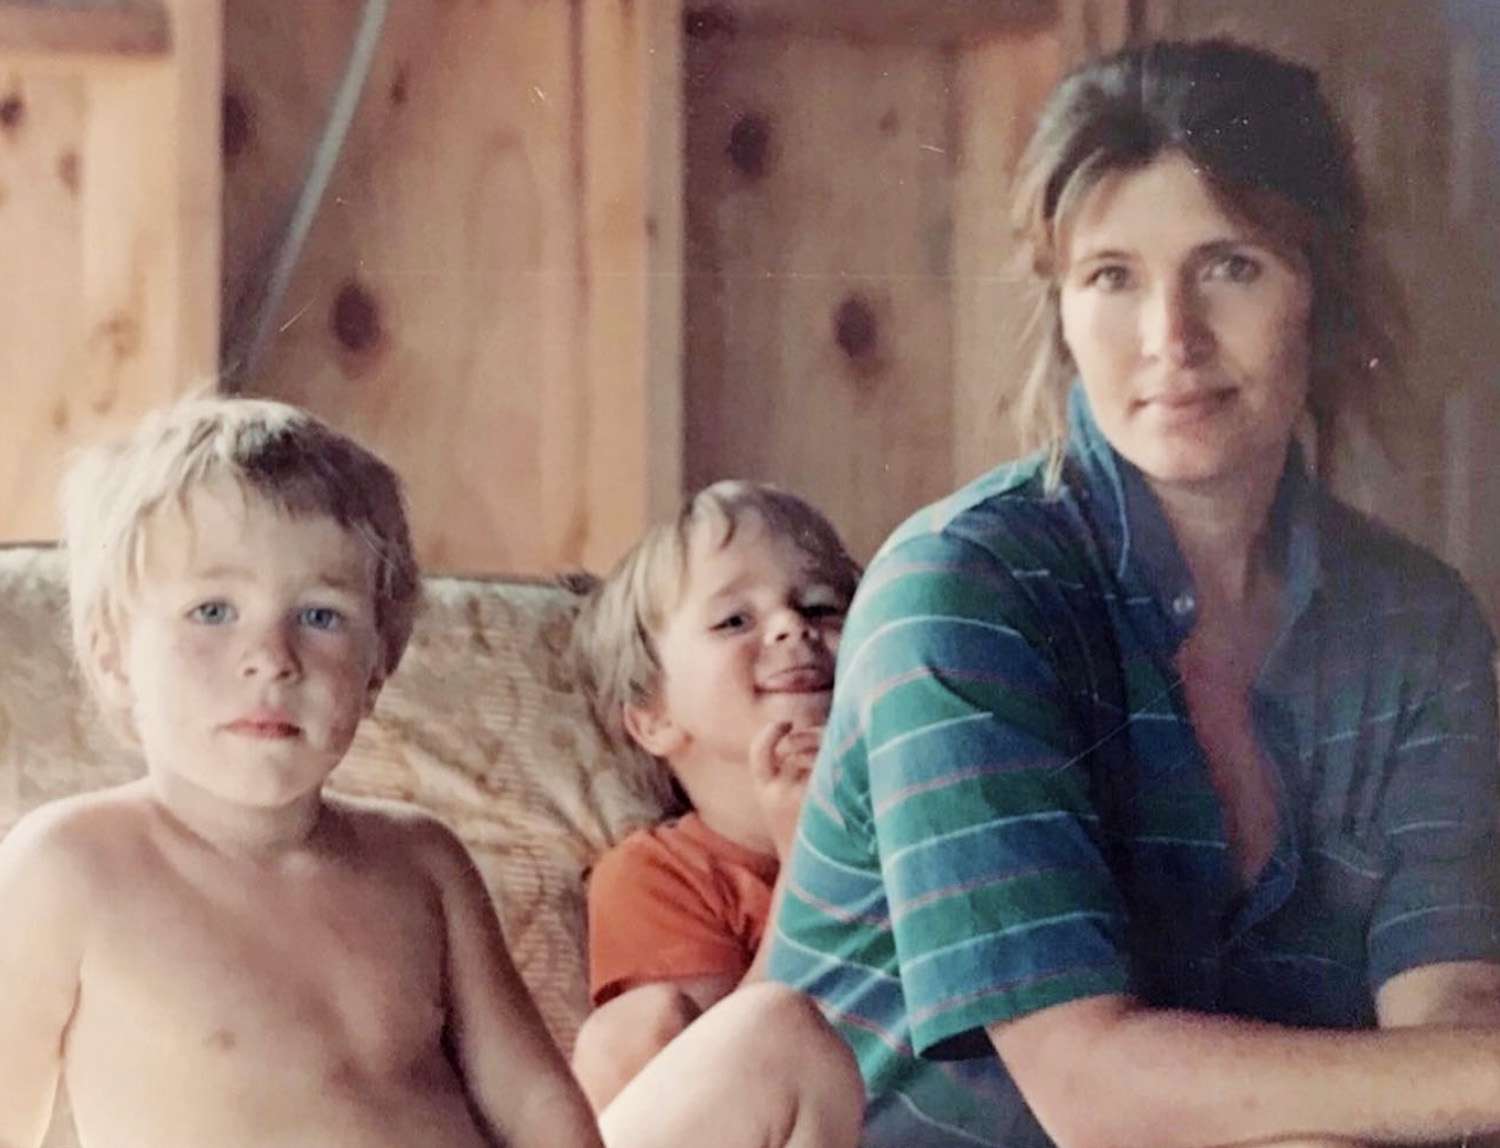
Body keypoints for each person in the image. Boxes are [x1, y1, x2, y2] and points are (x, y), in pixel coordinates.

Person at [768, 38, 1500, 1148]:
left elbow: (1452, 1022)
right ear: (1061, 310)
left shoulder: (1417, 622)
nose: (1172, 339)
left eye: (1231, 265)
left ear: (1322, 290)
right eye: (1112, 277)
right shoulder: (960, 593)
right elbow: (1093, 1090)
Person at [0, 397, 861, 1148]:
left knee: (781, 1037)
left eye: (320, 615)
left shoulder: (418, 860)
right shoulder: (71, 863)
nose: (271, 656)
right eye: (213, 610)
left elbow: (537, 1106)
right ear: (113, 656)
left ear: (379, 666)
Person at [569, 481, 862, 1111]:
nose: (792, 627)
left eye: (819, 606)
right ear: (652, 717)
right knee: (633, 1028)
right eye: (735, 620)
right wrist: (807, 856)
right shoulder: (657, 874)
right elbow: (727, 1079)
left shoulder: (913, 816)